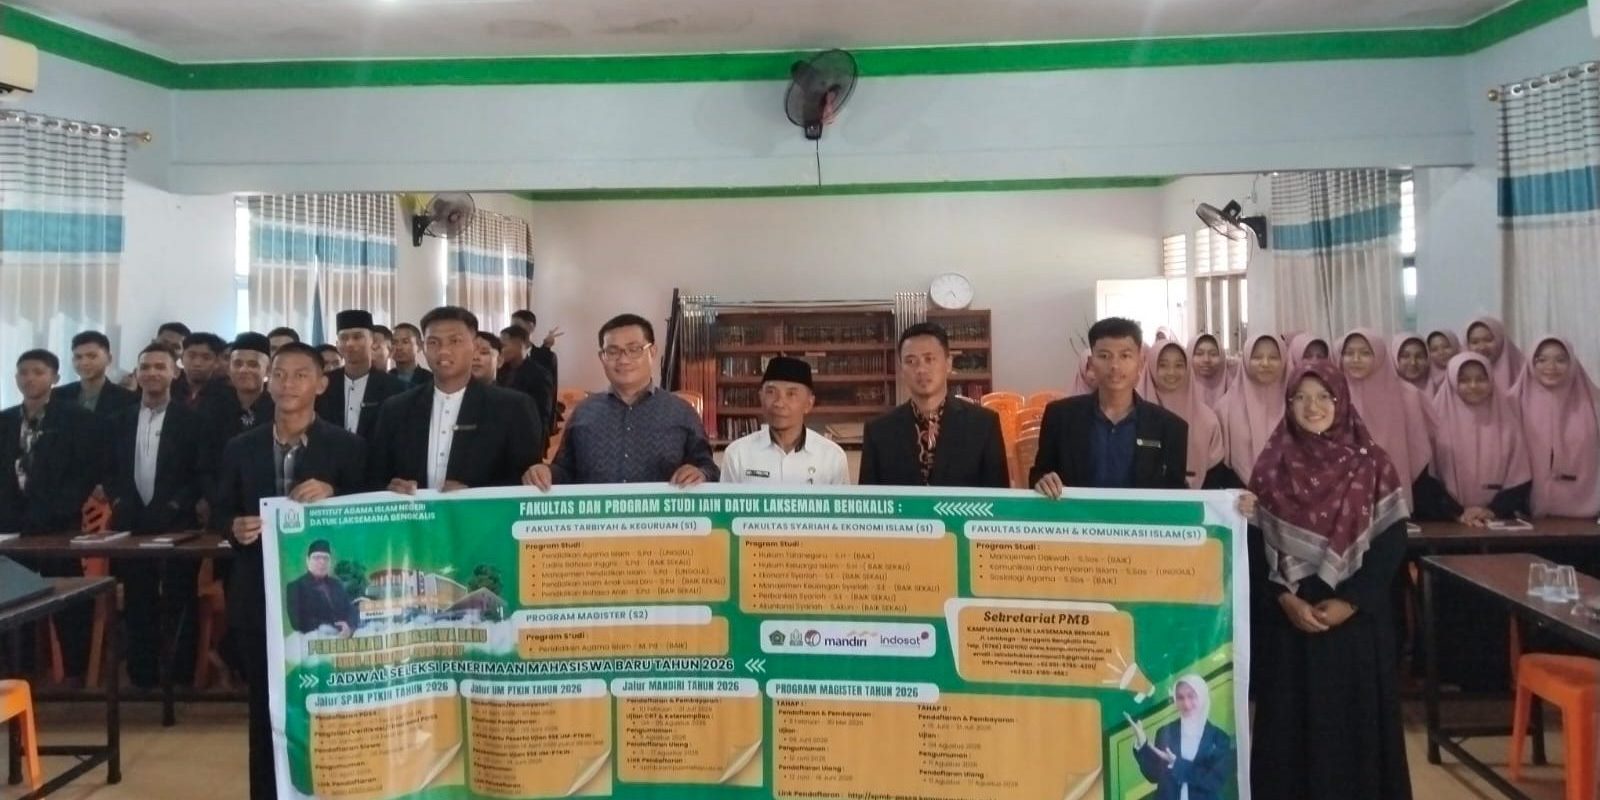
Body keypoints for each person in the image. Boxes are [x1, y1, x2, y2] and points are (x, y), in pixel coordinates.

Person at [1248, 361, 1412, 800]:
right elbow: (1254, 545)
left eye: (1324, 396)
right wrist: (1283, 599)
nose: (1312, 406)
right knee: (1289, 739)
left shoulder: (1372, 463)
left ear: (1342, 402)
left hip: (1355, 626)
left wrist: (1350, 602)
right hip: (1290, 625)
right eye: (1300, 397)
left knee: (1353, 736)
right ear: (1288, 405)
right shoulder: (1270, 466)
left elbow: (1392, 542)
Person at [211, 341, 365, 800]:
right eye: (279, 374)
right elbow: (219, 509)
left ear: (321, 384)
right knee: (266, 704)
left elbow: (369, 515)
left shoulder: (349, 447)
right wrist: (233, 527)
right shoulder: (240, 447)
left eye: (301, 375)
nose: (287, 384)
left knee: (326, 700)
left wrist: (335, 494)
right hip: (258, 592)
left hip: (324, 604)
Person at [104, 343, 205, 688]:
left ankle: (181, 676)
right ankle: (142, 675)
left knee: (181, 597)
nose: (152, 373)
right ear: (136, 374)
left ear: (174, 373)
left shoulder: (192, 421)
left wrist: (176, 505)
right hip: (131, 523)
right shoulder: (118, 421)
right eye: (145, 367)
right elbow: (109, 470)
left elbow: (200, 473)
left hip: (178, 524)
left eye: (160, 367)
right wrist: (120, 501)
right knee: (137, 599)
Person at [524, 313, 716, 488]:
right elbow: (565, 470)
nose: (623, 360)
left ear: (652, 352)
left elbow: (710, 469)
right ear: (602, 357)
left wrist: (701, 474)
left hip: (663, 516)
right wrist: (545, 472)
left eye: (634, 349)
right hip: (598, 515)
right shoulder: (584, 412)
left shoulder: (681, 412)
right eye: (613, 351)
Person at [370, 306, 545, 492]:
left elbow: (525, 483)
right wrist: (390, 488)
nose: (443, 351)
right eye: (433, 342)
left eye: (455, 341)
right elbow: (375, 477)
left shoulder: (513, 408)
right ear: (424, 347)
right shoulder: (395, 409)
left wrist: (474, 496)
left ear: (474, 346)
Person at [0, 349, 97, 679]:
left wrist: (55, 511)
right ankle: (22, 673)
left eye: (38, 372)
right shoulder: (5, 421)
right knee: (15, 601)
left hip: (58, 525)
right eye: (23, 372)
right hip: (12, 527)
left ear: (55, 378)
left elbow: (83, 472)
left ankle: (76, 672)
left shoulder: (76, 420)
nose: (30, 379)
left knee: (67, 599)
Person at [1032, 318, 1188, 494]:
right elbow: (1038, 474)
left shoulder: (1170, 427)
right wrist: (1043, 481)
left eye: (1125, 356)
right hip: (1077, 512)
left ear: (1140, 362)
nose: (1115, 366)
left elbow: (1176, 495)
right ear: (1091, 362)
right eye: (1104, 356)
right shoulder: (1060, 417)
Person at [859, 322, 1008, 488]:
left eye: (929, 359)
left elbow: (999, 498)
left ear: (948, 364)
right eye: (911, 361)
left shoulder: (984, 425)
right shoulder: (878, 431)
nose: (921, 369)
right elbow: (869, 501)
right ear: (901, 369)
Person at [1419, 353, 1531, 525]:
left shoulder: (1508, 422)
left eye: (1480, 379)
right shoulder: (1433, 422)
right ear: (1452, 381)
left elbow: (1519, 475)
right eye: (1464, 380)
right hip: (1446, 522)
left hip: (1497, 521)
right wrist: (1457, 512)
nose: (1473, 386)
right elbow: (1425, 477)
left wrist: (1492, 510)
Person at [1338, 329, 1435, 506]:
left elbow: (1419, 450)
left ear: (1380, 355)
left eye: (1365, 353)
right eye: (1349, 353)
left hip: (1393, 490)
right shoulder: (1333, 395)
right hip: (1344, 495)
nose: (1356, 359)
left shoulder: (1408, 395)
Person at [721, 357, 850, 485]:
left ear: (809, 403)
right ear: (761, 397)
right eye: (771, 392)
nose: (779, 403)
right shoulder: (737, 454)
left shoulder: (832, 457)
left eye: (791, 394)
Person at [1513, 336, 1600, 518]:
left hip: (1586, 512)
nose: (1551, 367)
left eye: (1560, 360)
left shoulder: (1593, 403)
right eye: (1542, 360)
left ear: (1572, 363)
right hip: (1523, 512)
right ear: (1531, 363)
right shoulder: (1511, 402)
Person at [1131, 674, 1234, 800]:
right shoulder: (1165, 732)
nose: (1186, 704)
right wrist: (1142, 745)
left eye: (1191, 696)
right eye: (1180, 697)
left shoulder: (1219, 738)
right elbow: (1154, 776)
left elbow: (1214, 781)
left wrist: (1177, 764)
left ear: (1202, 697)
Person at [1139, 340, 1226, 488]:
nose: (1171, 372)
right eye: (1163, 365)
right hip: (1140, 498)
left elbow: (1214, 472)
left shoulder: (1207, 419)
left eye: (1179, 365)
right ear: (1151, 367)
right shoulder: (1133, 412)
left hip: (1196, 498)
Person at [199, 334, 276, 500]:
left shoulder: (278, 409)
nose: (244, 370)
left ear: (268, 370)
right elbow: (203, 461)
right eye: (238, 364)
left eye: (253, 364)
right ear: (229, 369)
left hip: (268, 499)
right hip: (221, 500)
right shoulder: (211, 407)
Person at [315, 310, 406, 439]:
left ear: (372, 341)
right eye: (344, 338)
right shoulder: (323, 385)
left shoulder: (396, 389)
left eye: (357, 337)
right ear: (337, 344)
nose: (350, 343)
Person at [1212, 333, 1287, 487]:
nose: (1265, 363)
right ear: (1245, 360)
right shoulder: (1225, 409)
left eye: (1273, 357)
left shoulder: (1297, 405)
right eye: (1257, 357)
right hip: (1237, 492)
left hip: (1291, 493)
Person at [56, 330, 137, 416]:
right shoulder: (58, 396)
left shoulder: (128, 400)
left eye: (92, 356)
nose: (84, 363)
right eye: (78, 357)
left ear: (109, 359)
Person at [286, 540, 356, 635]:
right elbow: (297, 622)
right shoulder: (295, 587)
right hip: (313, 638)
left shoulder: (337, 584)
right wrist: (334, 626)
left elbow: (351, 610)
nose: (322, 562)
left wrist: (349, 626)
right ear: (307, 560)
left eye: (326, 558)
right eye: (317, 558)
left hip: (344, 637)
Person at [498, 325, 557, 436]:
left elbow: (542, 417)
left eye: (504, 346)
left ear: (520, 344)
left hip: (527, 435)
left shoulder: (540, 375)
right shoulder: (500, 371)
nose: (500, 351)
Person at [1465, 316, 1524, 391]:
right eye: (1475, 342)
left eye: (1488, 340)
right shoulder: (1459, 381)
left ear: (1501, 341)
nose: (1482, 347)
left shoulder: (1524, 374)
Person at [175, 332, 229, 409]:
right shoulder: (171, 389)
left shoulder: (226, 397)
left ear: (216, 362)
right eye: (191, 356)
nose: (197, 363)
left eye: (206, 358)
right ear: (182, 358)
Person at [511, 308, 560, 389]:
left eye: (516, 326)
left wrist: (545, 348)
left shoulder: (548, 356)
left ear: (531, 327)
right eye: (511, 326)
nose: (512, 330)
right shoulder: (508, 355)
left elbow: (550, 387)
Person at [1189, 334, 1229, 409]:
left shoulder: (1234, 388)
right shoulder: (1179, 387)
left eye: (1213, 354)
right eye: (1199, 354)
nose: (1206, 360)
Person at [390, 322, 432, 387]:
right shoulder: (385, 378)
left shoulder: (430, 380)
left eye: (405, 342)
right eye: (394, 342)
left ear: (419, 345)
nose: (399, 347)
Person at [1425, 329, 1461, 395]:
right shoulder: (1425, 377)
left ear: (1455, 346)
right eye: (1434, 350)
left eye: (1446, 347)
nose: (1441, 353)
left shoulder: (1465, 373)